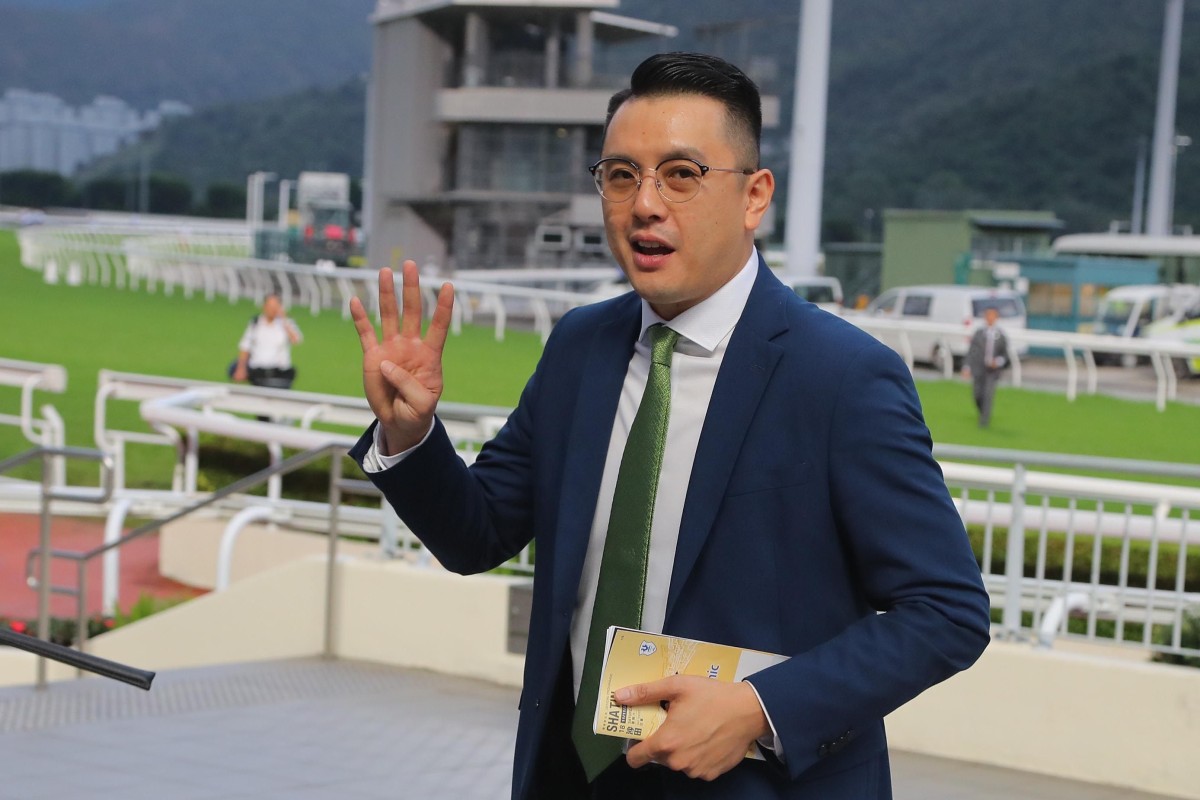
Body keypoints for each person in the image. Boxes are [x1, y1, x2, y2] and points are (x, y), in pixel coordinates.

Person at [349, 52, 990, 800]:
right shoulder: (580, 347)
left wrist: (759, 709)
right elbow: (478, 534)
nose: (644, 204)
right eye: (620, 175)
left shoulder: (841, 377)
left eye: (680, 174)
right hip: (573, 775)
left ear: (754, 197)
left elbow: (946, 613)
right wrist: (410, 435)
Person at [231, 293, 302, 390]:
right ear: (264, 306)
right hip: (258, 372)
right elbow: (245, 347)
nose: (272, 309)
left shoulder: (286, 324)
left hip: (279, 373)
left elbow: (296, 340)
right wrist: (241, 368)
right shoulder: (255, 323)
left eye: (275, 306)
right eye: (270, 306)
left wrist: (284, 319)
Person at [961, 306, 1009, 428]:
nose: (990, 318)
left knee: (988, 394)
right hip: (978, 368)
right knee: (977, 394)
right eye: (988, 316)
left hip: (992, 371)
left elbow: (1005, 356)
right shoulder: (979, 333)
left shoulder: (1001, 336)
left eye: (993, 316)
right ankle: (982, 411)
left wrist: (997, 362)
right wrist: (966, 367)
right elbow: (971, 351)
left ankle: (984, 420)